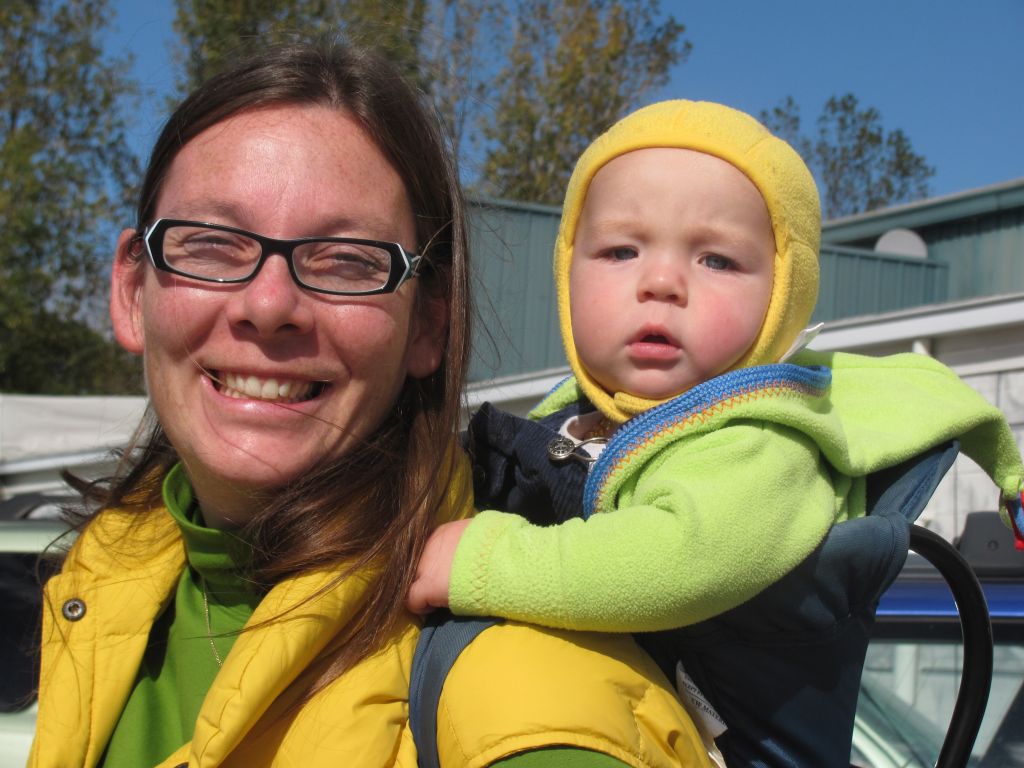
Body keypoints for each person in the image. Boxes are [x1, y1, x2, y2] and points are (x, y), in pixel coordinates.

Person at [29, 44, 712, 768]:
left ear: (428, 327)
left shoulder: (535, 707)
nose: (268, 304)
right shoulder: (100, 592)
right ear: (134, 293)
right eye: (212, 245)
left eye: (348, 260)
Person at [408, 99, 1024, 639]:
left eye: (718, 260)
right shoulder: (574, 417)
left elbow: (674, 562)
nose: (660, 282)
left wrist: (479, 561)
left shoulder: (764, 439)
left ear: (784, 293)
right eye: (621, 250)